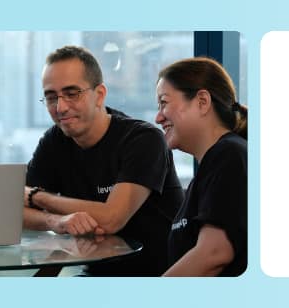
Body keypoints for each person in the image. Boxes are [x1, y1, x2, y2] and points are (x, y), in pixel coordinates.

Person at [23, 45, 184, 276]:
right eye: (51, 97)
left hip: (157, 277)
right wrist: (56, 222)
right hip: (96, 274)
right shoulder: (55, 141)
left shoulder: (143, 139)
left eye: (71, 93)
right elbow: (14, 211)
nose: (60, 107)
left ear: (99, 95)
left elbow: (111, 218)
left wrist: (37, 196)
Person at [154, 57, 247, 277]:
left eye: (164, 103)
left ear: (202, 101)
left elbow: (214, 253)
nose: (158, 117)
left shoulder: (229, 155)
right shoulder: (214, 165)